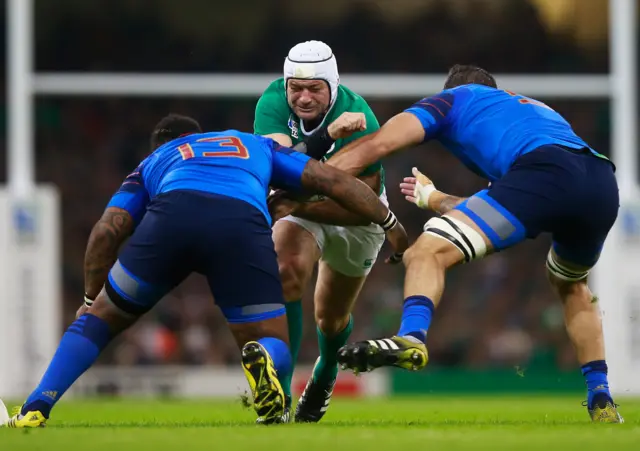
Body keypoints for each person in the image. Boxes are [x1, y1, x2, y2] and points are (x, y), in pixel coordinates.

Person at [4, 114, 407, 428]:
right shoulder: (254, 145)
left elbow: (107, 231)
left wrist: (92, 299)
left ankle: (38, 405)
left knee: (100, 321)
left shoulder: (157, 158)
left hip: (171, 220)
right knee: (271, 338)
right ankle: (263, 361)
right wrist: (389, 221)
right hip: (239, 223)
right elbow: (331, 180)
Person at [327, 65, 623, 423]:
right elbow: (504, 204)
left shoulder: (453, 100)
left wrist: (305, 176)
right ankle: (601, 397)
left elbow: (380, 143)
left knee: (426, 251)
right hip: (600, 183)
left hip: (544, 172)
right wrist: (435, 198)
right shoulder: (532, 111)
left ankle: (411, 337)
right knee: (572, 285)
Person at [254, 40, 399, 422]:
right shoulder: (271, 103)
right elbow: (283, 169)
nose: (302, 98)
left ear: (332, 86)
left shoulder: (361, 115)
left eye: (314, 88)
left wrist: (299, 202)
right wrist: (329, 136)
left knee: (331, 319)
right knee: (285, 272)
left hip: (356, 218)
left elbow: (360, 204)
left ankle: (325, 374)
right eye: (295, 88)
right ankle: (279, 397)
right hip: (301, 210)